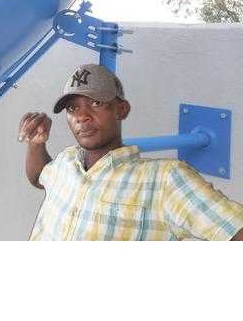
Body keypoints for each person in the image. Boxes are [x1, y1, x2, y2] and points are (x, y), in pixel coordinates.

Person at [18, 63, 243, 241]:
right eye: (73, 108)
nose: (82, 116)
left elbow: (232, 230)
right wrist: (36, 143)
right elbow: (39, 177)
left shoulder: (165, 180)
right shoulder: (67, 160)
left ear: (122, 109)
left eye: (96, 102)